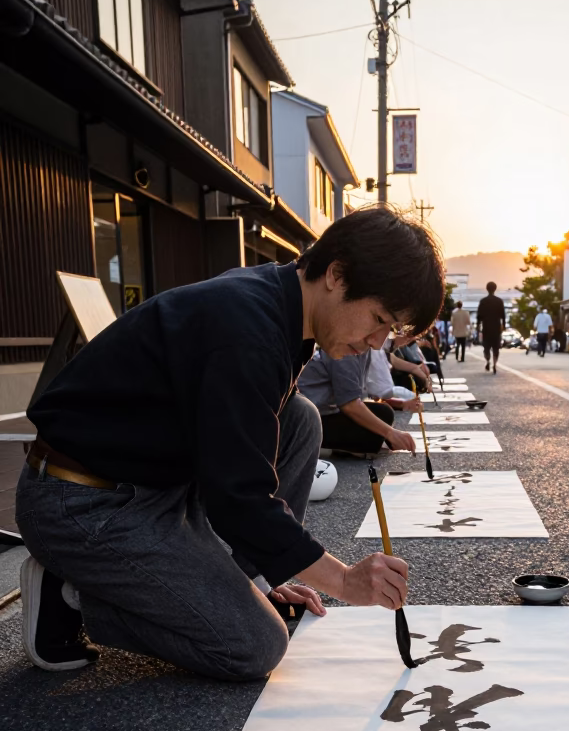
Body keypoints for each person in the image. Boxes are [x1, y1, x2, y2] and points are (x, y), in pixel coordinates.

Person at [17, 206, 444, 677]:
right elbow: (238, 499)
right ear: (336, 274)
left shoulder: (278, 304)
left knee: (299, 417)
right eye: (379, 318)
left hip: (154, 485)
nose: (377, 340)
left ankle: (239, 583)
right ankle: (72, 599)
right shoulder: (247, 329)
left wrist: (266, 573)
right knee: (254, 645)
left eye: (391, 331)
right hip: (82, 502)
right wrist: (342, 579)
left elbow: (237, 460)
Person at [298, 346, 418, 459]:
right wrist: (390, 433)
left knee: (383, 413)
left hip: (326, 409)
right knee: (379, 423)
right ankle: (320, 445)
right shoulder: (346, 347)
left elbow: (374, 391)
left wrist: (402, 405)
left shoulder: (366, 350)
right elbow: (349, 404)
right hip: (310, 417)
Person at [476, 281, 506, 373]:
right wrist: (503, 325)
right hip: (496, 327)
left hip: (486, 327)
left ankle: (488, 360)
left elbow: (479, 315)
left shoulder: (483, 301)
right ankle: (495, 364)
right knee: (496, 347)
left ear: (487, 289)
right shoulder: (499, 301)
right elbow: (503, 315)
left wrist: (478, 325)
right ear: (495, 289)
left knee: (486, 347)